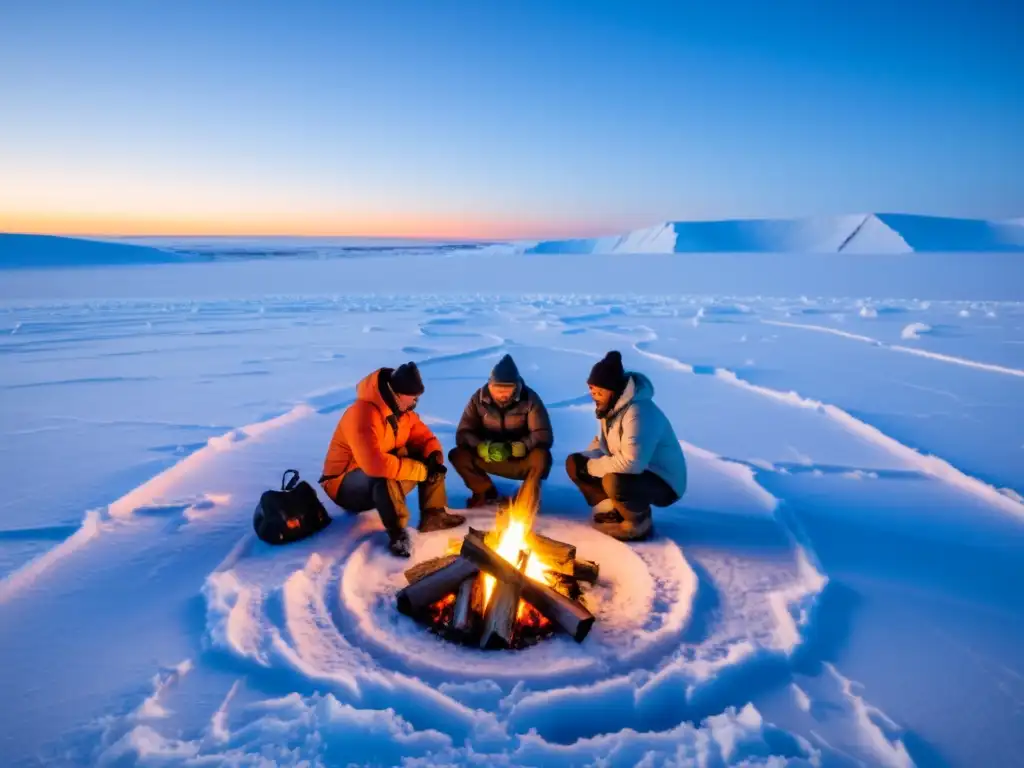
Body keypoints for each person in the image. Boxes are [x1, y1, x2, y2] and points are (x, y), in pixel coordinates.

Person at [320, 361, 465, 557]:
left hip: (379, 478)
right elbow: (375, 465)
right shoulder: (362, 414)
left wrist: (433, 458)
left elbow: (426, 438)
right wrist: (420, 470)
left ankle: (434, 514)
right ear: (397, 393)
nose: (416, 402)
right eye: (413, 397)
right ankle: (398, 536)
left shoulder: (404, 412)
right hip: (345, 485)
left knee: (428, 459)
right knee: (382, 475)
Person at [565, 351, 687, 541]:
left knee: (613, 481)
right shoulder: (611, 407)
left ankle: (638, 522)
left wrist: (592, 467)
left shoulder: (638, 412)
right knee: (574, 463)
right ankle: (615, 510)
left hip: (663, 481)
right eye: (591, 389)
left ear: (613, 390)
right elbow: (605, 445)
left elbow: (632, 463)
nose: (593, 395)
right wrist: (585, 460)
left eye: (599, 391)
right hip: (638, 472)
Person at [448, 353, 553, 512]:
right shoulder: (478, 399)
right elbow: (463, 433)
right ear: (490, 386)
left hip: (520, 458)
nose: (502, 394)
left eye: (508, 389)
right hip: (490, 456)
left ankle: (525, 502)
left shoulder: (530, 399)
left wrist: (515, 448)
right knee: (458, 454)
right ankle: (485, 493)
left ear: (516, 386)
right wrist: (482, 447)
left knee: (541, 457)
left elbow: (543, 434)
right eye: (498, 389)